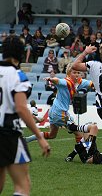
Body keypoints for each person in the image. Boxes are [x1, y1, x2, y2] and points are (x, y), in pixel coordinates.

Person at [0, 35, 50, 196]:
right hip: (9, 134)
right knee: (23, 186)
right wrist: (40, 137)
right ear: (20, 53)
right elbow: (21, 108)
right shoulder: (18, 76)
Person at [25, 63, 96, 150]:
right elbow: (57, 80)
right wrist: (50, 79)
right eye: (74, 72)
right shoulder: (66, 82)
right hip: (60, 112)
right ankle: (83, 153)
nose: (77, 74)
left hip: (54, 111)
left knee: (52, 135)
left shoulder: (81, 82)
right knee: (78, 133)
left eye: (78, 72)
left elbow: (92, 84)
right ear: (69, 74)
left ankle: (27, 139)